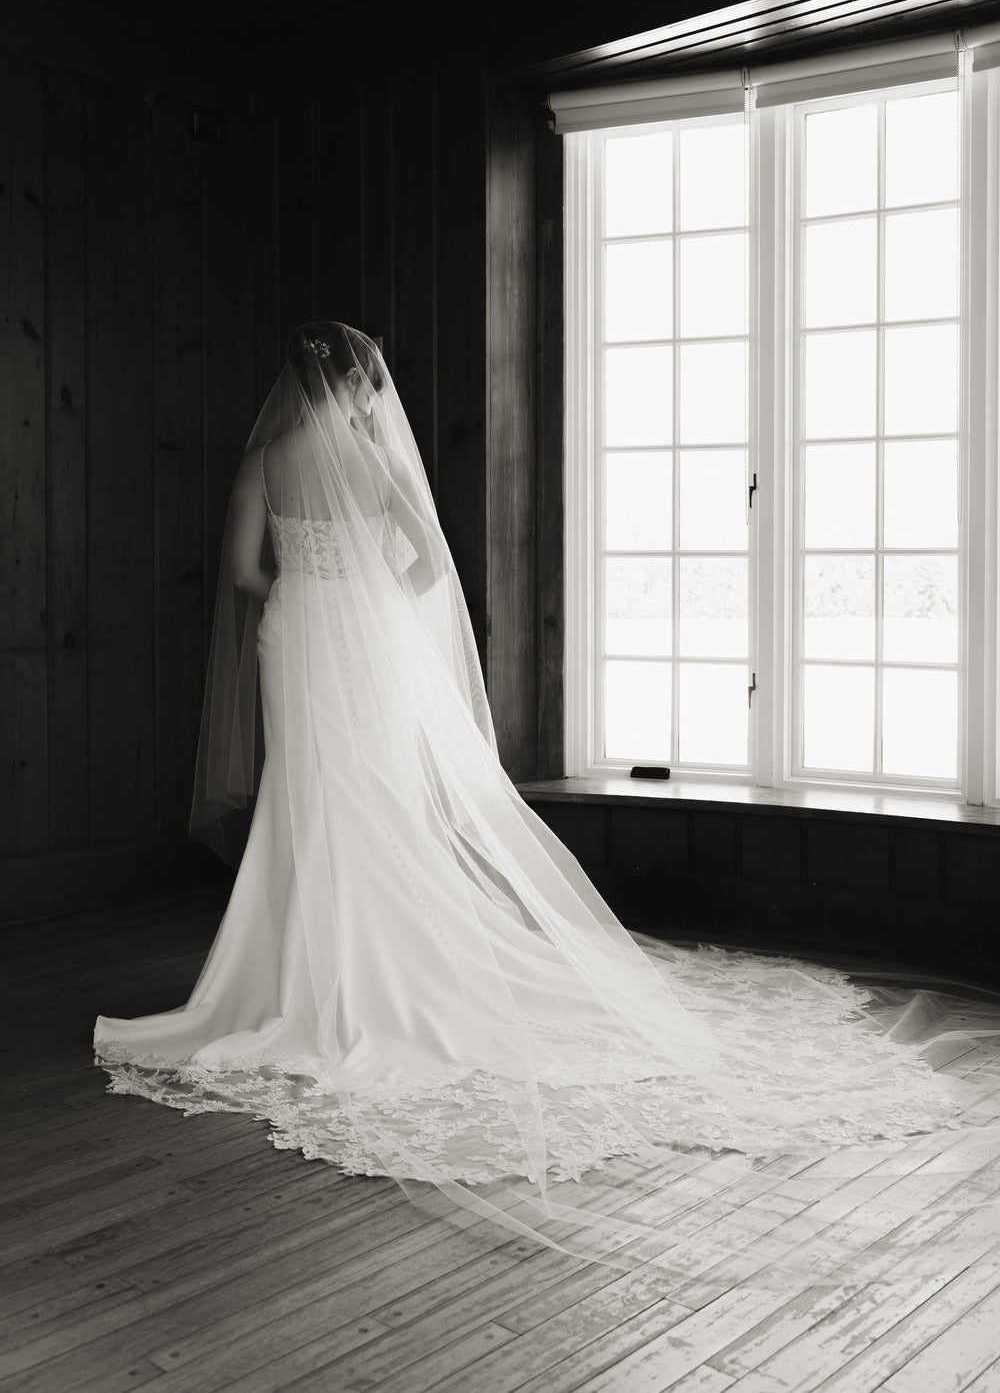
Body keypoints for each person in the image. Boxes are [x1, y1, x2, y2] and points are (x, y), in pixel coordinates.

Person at [94, 322, 1000, 1293]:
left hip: (297, 635)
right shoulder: (370, 457)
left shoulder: (268, 457)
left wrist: (311, 589)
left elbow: (243, 573)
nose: (369, 399)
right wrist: (372, 602)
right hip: (365, 641)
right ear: (355, 385)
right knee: (375, 798)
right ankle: (373, 968)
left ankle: (298, 976)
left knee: (307, 798)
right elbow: (429, 563)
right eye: (367, 385)